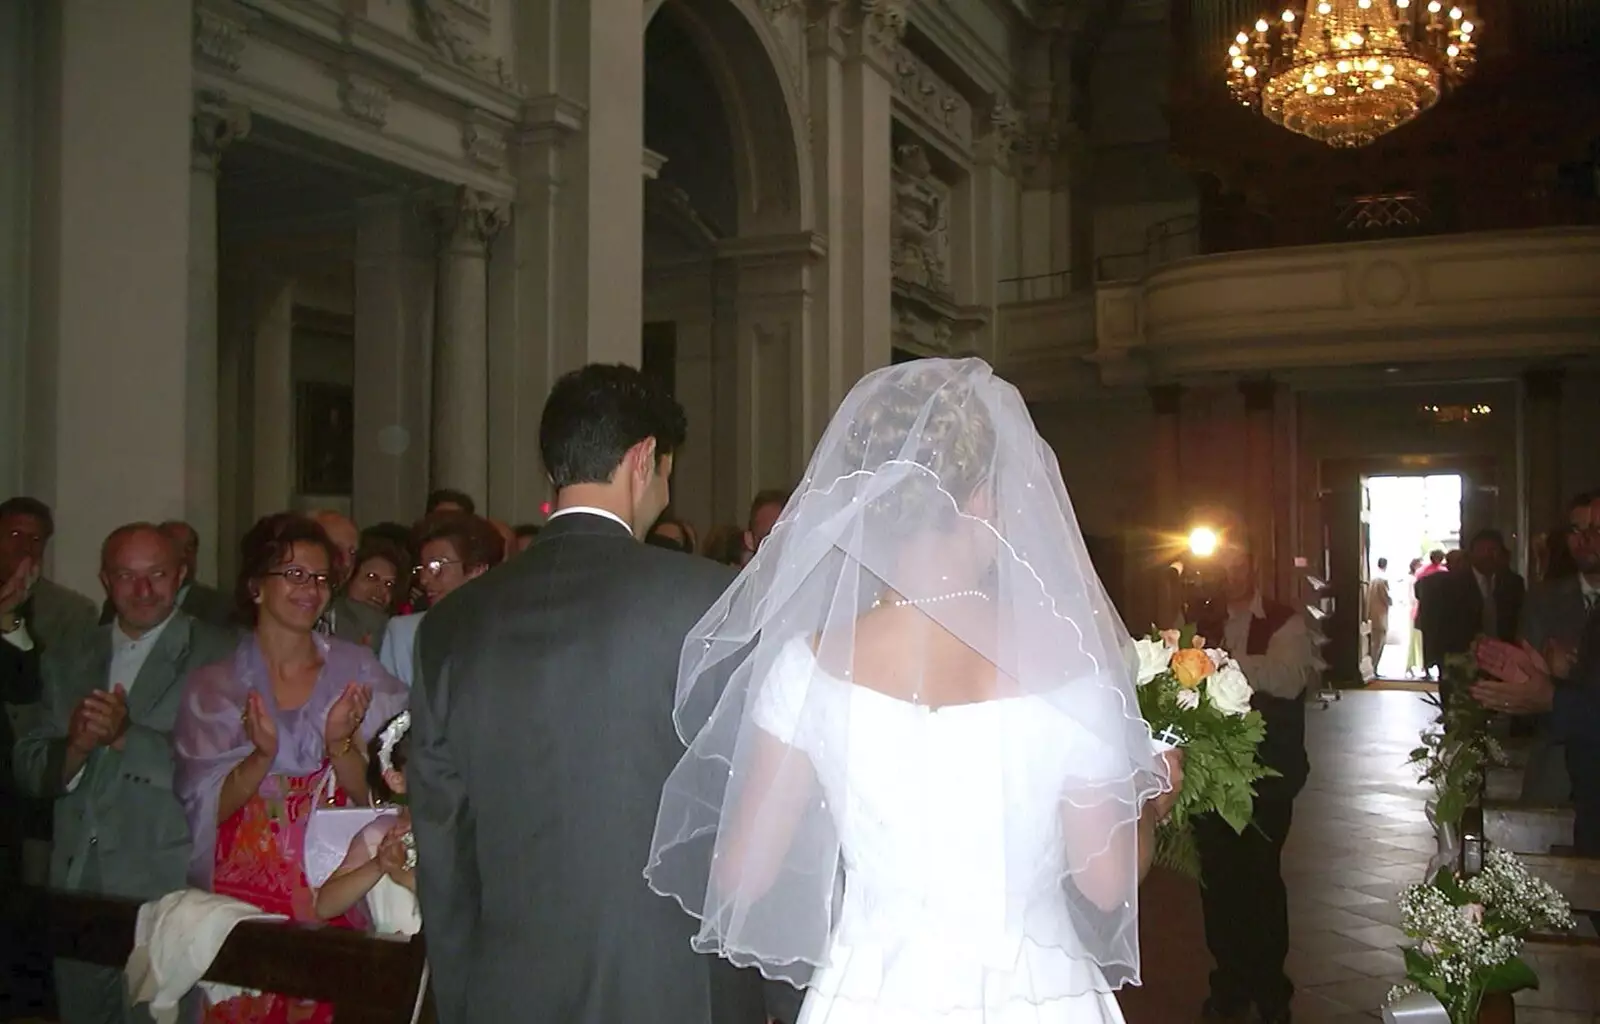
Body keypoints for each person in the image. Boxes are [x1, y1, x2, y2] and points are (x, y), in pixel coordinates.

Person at [646, 358, 1183, 1024]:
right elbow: (1105, 883)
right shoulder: (1068, 667)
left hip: (871, 993)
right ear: (984, 500)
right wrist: (1153, 803)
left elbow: (743, 874)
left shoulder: (806, 668)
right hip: (1039, 994)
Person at [408, 364, 773, 1024]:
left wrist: (462, 998)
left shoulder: (451, 626)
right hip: (671, 986)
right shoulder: (706, 602)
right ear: (643, 459)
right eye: (668, 467)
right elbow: (751, 808)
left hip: (508, 987)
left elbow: (443, 846)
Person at [172, 513, 407, 1024]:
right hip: (243, 898)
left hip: (333, 890)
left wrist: (341, 742)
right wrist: (260, 758)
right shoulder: (214, 686)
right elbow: (205, 810)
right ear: (256, 585)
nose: (311, 589)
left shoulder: (358, 671)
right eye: (294, 574)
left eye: (321, 578)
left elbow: (383, 793)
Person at [1190, 546, 1319, 1024]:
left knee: (1260, 879)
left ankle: (1269, 987)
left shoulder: (1285, 621)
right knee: (1218, 882)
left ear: (1255, 566)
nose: (1231, 573)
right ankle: (1229, 982)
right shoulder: (1202, 616)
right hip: (1213, 774)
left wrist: (1222, 665)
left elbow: (1288, 680)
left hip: (1269, 774)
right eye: (1224, 565)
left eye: (1239, 563)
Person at [314, 710, 419, 937]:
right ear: (397, 780)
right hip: (393, 961)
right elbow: (325, 905)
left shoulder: (467, 832)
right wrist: (379, 865)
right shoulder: (382, 833)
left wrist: (403, 876)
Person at [1366, 557, 1391, 675]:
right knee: (1378, 644)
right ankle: (1374, 669)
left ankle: (1372, 668)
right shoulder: (1383, 580)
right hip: (1380, 616)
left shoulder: (1372, 579)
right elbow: (1386, 598)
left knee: (1373, 643)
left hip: (1371, 614)